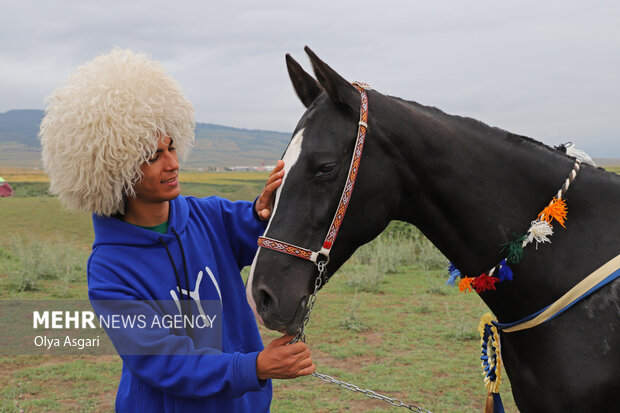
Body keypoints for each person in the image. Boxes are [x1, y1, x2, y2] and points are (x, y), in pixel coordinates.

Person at [39, 48, 315, 412]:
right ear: (112, 170)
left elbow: (256, 232)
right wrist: (255, 366)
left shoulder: (208, 215)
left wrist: (265, 212)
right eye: (152, 156)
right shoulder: (109, 269)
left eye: (170, 147)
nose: (172, 163)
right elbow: (164, 361)